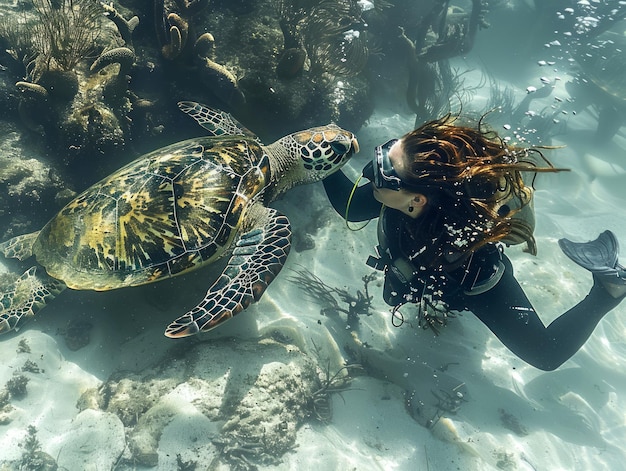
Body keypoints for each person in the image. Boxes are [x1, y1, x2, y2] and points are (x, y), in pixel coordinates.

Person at [323, 115, 626, 371]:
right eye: (385, 153)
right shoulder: (395, 196)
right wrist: (320, 155)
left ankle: (607, 291)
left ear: (417, 199)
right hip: (429, 270)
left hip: (475, 284)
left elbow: (547, 353)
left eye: (384, 174)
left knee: (545, 354)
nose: (369, 173)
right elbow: (349, 206)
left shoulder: (462, 244)